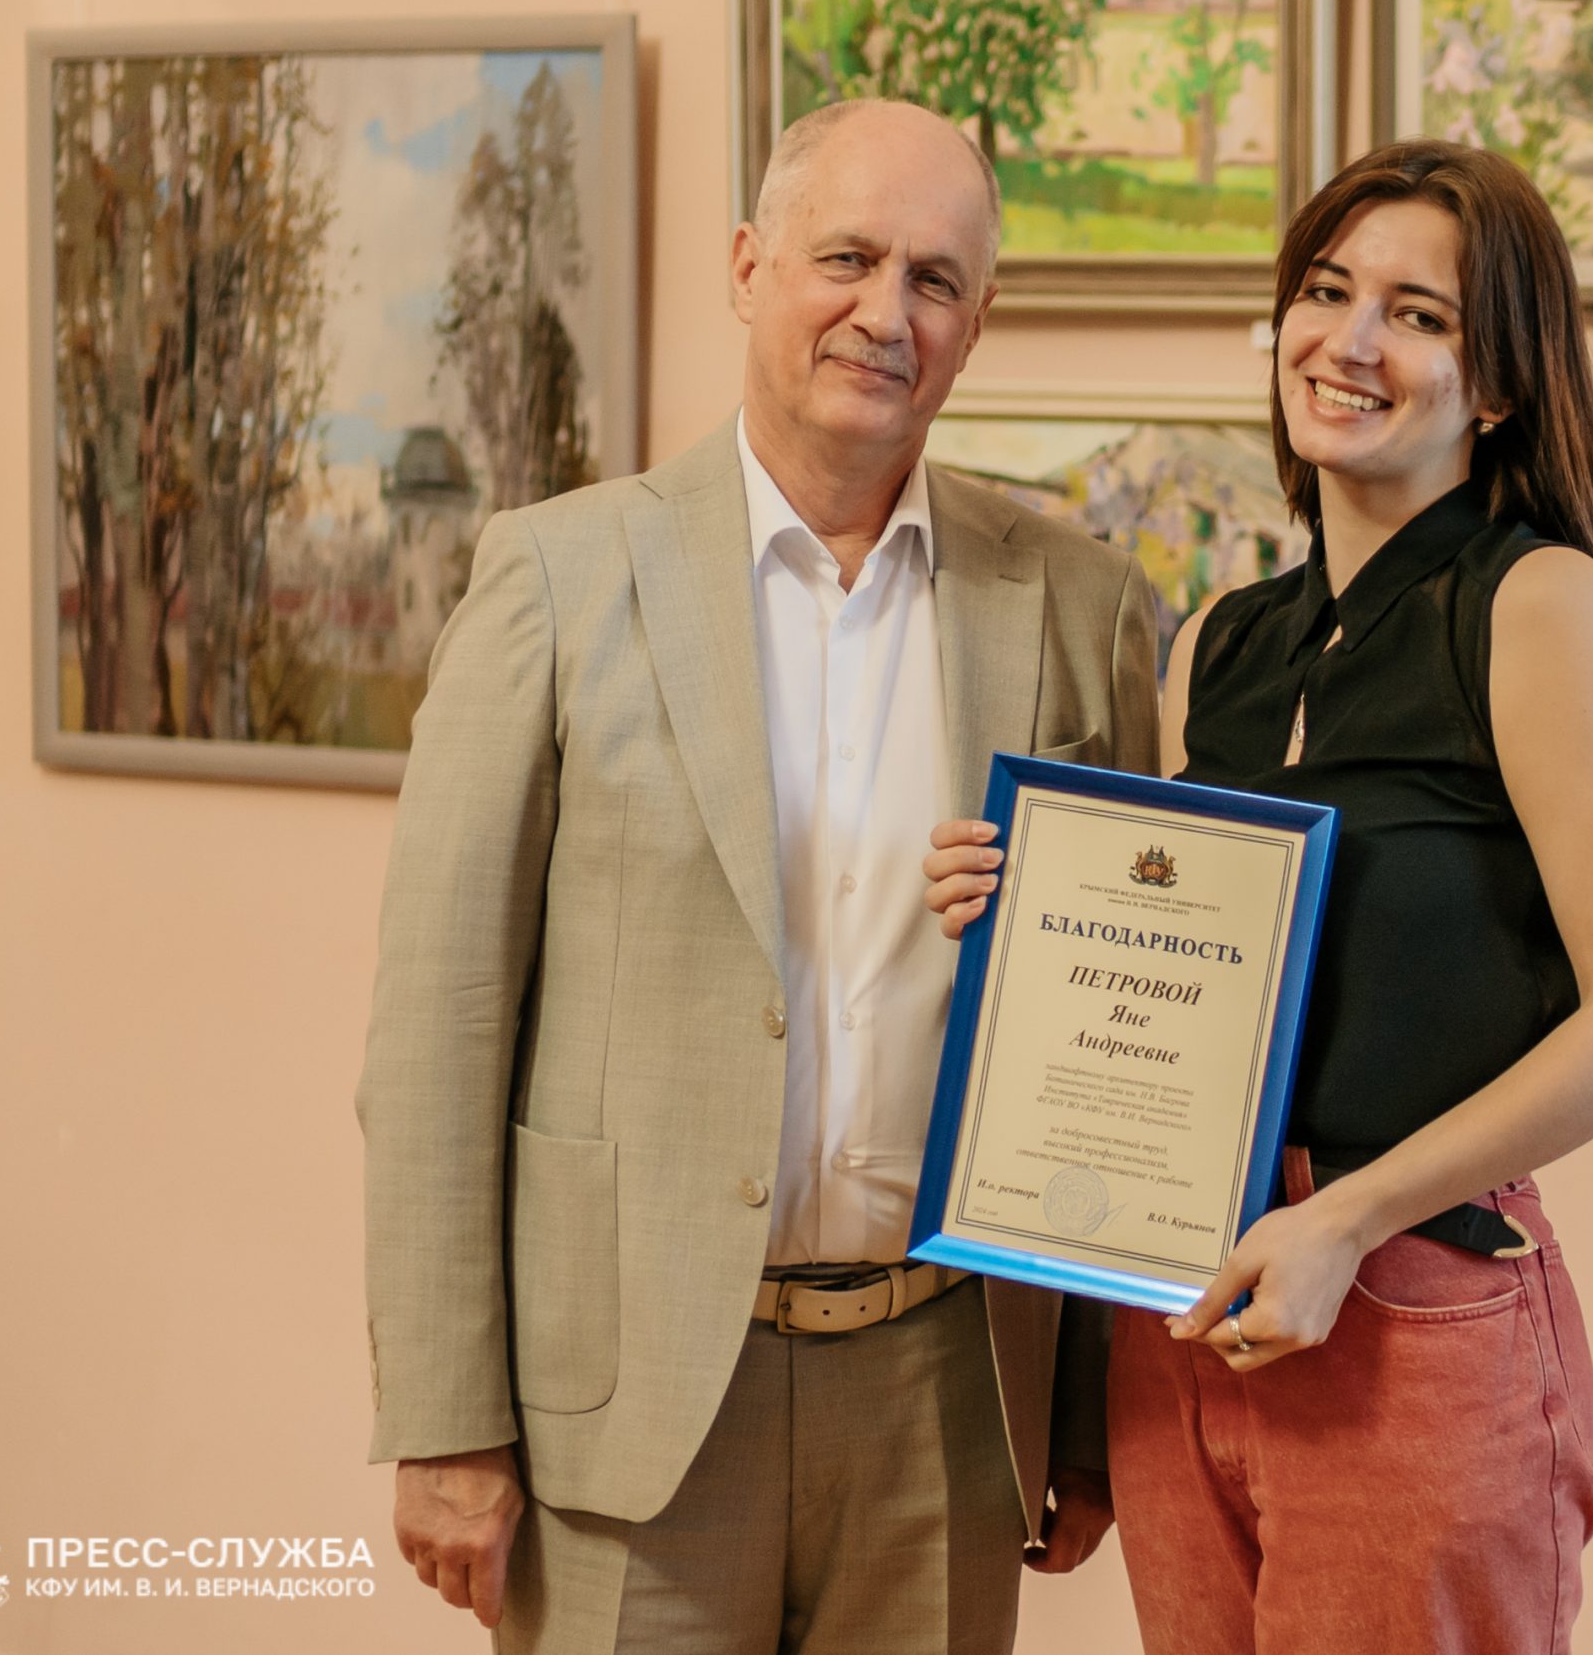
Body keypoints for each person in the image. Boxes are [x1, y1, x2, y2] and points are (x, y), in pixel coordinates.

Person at [357, 98, 1156, 1655]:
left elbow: (1111, 1030)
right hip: (634, 1399)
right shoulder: (556, 576)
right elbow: (439, 1029)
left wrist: (1079, 1414)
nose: (886, 312)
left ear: (979, 323)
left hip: (943, 1397)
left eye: (935, 280)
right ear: (747, 266)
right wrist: (447, 1417)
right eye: (846, 258)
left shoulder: (1083, 605)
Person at [922, 138, 1593, 1652]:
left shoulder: (1541, 604)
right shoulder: (1220, 639)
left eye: (1419, 314)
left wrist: (1347, 1219)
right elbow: (1178, 995)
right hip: (1186, 1309)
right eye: (1328, 291)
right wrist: (1022, 916)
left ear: (1497, 383)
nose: (1350, 340)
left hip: (1409, 1306)